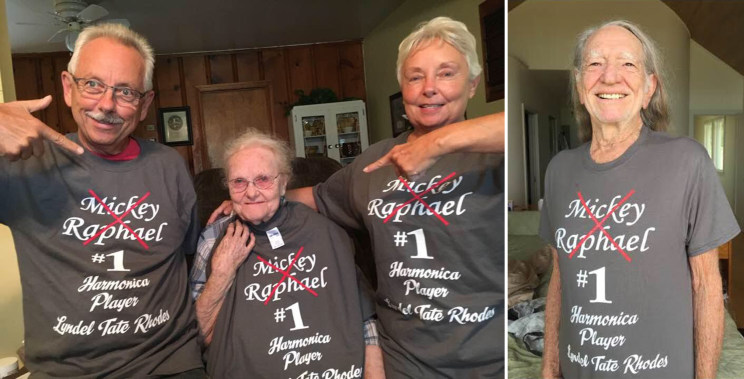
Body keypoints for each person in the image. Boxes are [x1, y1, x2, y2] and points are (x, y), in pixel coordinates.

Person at [210, 16, 505, 377]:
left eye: (446, 73)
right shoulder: (374, 162)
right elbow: (318, 196)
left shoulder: (496, 156)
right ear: (403, 86)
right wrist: (254, 194)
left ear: (473, 85)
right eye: (415, 76)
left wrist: (438, 142)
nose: (429, 88)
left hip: (488, 359)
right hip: (404, 359)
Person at [0, 24, 204, 377]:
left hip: (170, 365)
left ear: (145, 105)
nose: (107, 105)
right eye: (92, 84)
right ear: (68, 87)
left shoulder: (170, 167)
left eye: (126, 92)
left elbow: (189, 259)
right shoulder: (23, 165)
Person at [539, 20, 735, 379]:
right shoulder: (559, 171)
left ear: (649, 88)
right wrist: (550, 369)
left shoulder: (687, 160)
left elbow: (707, 286)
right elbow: (560, 279)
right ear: (580, 86)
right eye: (595, 63)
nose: (610, 76)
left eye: (628, 64)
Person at [190, 130, 383, 377]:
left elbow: (366, 321)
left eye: (262, 179)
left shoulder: (327, 232)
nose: (250, 192)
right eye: (238, 182)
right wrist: (221, 273)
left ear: (284, 182)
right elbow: (194, 336)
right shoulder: (213, 239)